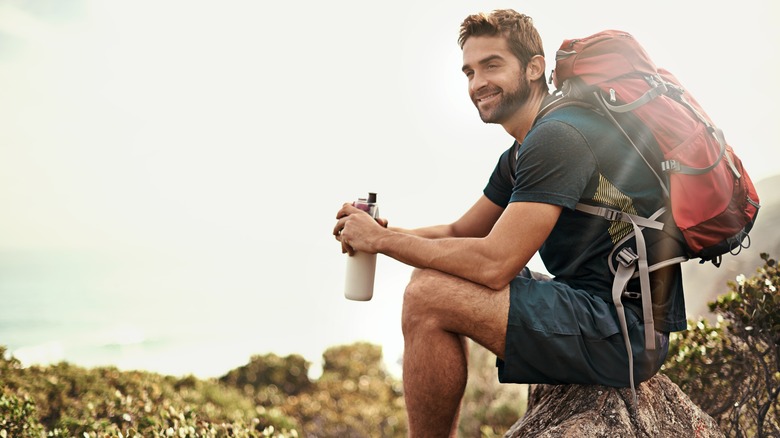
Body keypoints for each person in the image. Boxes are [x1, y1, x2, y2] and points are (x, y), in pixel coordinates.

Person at [333, 9, 686, 437]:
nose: (477, 82)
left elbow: (494, 263)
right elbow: (458, 234)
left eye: (492, 65)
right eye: (469, 71)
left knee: (428, 294)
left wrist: (383, 243)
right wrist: (381, 235)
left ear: (534, 68)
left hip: (625, 333)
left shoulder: (558, 137)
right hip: (597, 310)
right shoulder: (523, 151)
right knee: (432, 274)